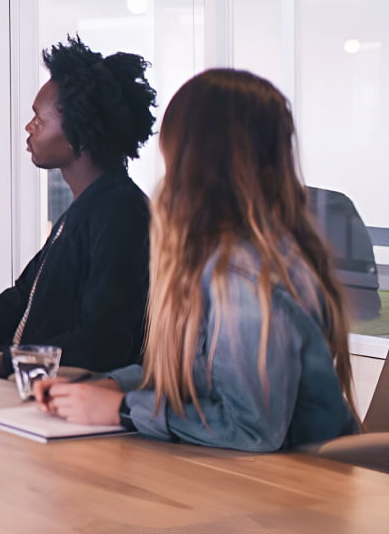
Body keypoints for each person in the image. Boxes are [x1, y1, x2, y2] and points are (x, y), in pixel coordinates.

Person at [36, 69, 360, 451]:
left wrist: (122, 409)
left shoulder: (241, 277)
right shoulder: (224, 258)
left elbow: (252, 428)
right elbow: (204, 376)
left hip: (299, 492)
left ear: (191, 157)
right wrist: (111, 386)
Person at [0, 36, 156, 376]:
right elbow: (23, 295)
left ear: (79, 133)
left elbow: (102, 340)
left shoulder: (120, 214)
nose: (28, 128)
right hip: (35, 388)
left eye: (38, 120)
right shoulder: (86, 207)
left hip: (71, 398)